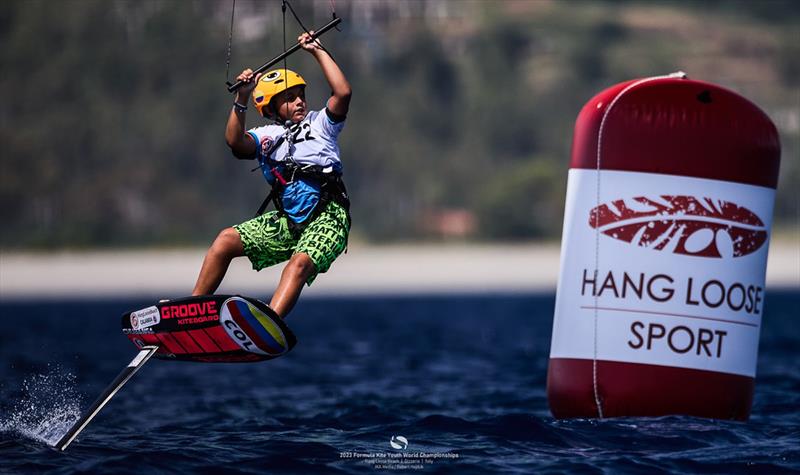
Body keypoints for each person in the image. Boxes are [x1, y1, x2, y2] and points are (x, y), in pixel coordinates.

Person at [191, 31, 352, 319]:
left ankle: (268, 322)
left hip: (329, 217)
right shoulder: (267, 135)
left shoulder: (321, 125)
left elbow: (343, 93)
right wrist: (241, 97)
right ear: (270, 108)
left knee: (298, 264)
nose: (300, 101)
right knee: (225, 241)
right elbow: (235, 142)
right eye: (290, 98)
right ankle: (191, 309)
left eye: (301, 95)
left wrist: (317, 50)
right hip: (289, 222)